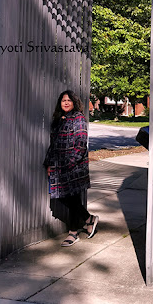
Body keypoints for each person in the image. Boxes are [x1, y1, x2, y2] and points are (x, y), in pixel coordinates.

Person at [43, 90, 99, 246]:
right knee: (62, 196)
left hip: (74, 166)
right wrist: (48, 163)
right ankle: (89, 219)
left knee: (72, 196)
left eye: (69, 100)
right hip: (58, 165)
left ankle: (73, 233)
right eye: (63, 100)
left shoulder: (79, 119)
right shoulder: (58, 120)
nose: (66, 103)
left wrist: (70, 163)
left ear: (74, 102)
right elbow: (53, 144)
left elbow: (81, 144)